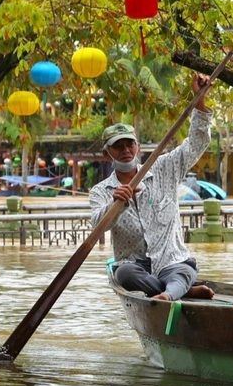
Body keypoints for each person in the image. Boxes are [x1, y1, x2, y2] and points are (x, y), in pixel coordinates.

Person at [90, 73, 216, 301]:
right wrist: (114, 205)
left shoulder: (162, 167)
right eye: (117, 146)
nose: (125, 150)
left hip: (170, 260)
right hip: (135, 266)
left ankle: (170, 293)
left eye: (129, 144)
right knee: (125, 274)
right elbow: (98, 226)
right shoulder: (101, 191)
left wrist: (200, 102)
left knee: (184, 270)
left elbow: (196, 145)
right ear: (106, 153)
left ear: (137, 146)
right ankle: (180, 291)